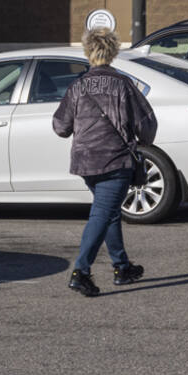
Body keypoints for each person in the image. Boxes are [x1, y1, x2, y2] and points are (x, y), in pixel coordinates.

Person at [52, 27, 158, 297]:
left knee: (109, 213)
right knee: (101, 215)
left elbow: (60, 126)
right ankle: (81, 272)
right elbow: (146, 125)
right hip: (114, 160)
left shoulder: (77, 86)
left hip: (85, 161)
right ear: (113, 52)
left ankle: (122, 267)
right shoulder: (123, 85)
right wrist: (141, 140)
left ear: (88, 52)